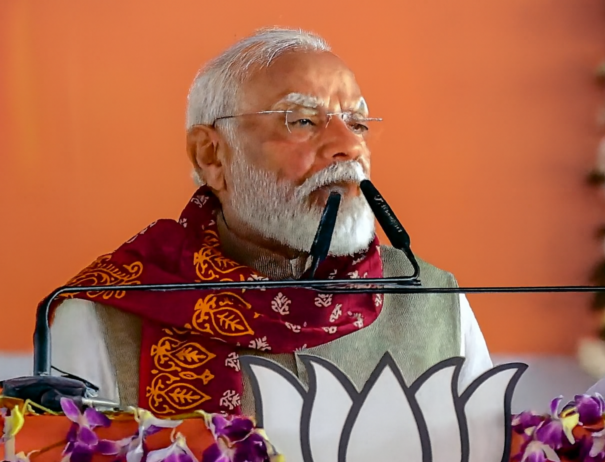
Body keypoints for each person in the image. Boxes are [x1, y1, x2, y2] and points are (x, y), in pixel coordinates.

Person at [49, 27, 492, 417]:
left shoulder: (437, 303)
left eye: (357, 124)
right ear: (212, 155)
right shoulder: (107, 315)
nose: (349, 147)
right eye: (301, 120)